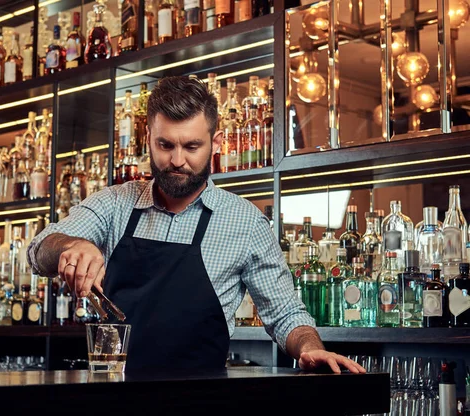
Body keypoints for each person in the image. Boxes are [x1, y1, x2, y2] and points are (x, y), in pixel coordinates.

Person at [27, 76, 365, 374]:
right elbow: (38, 251)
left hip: (201, 403)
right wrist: (70, 246)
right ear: (148, 138)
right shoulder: (115, 203)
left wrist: (310, 348)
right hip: (115, 398)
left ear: (215, 144)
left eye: (191, 146)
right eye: (165, 145)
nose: (177, 160)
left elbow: (286, 313)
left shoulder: (245, 221)